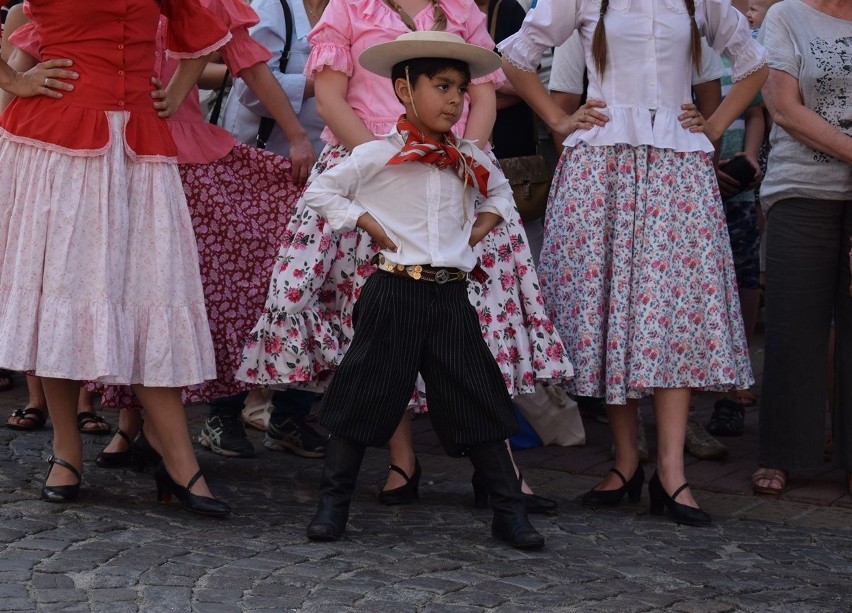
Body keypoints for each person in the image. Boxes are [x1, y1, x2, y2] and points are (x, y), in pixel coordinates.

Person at [237, 0, 572, 507]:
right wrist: (392, 171)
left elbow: (481, 99)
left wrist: (465, 163)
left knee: (482, 325)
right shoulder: (349, 8)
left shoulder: (462, 10)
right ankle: (402, 462)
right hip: (369, 173)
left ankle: (501, 472)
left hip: (453, 179)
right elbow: (330, 101)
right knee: (379, 323)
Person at [499, 0, 767, 526]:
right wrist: (556, 116)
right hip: (601, 163)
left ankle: (671, 471)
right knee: (610, 310)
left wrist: (713, 126)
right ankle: (625, 463)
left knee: (668, 315)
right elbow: (514, 56)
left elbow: (755, 63)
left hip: (676, 166)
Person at [304, 31, 544, 549]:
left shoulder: (469, 158)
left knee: (479, 396)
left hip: (450, 297)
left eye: (460, 88)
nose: (456, 100)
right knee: (362, 394)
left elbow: (500, 191)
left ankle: (509, 512)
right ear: (405, 91)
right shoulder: (376, 154)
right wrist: (363, 220)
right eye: (442, 86)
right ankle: (332, 506)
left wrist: (479, 228)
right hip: (394, 292)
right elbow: (321, 190)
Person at [0, 0, 231, 516]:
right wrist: (13, 81)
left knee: (153, 294)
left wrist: (175, 91)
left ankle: (178, 460)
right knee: (61, 293)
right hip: (58, 146)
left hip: (140, 148)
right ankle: (66, 451)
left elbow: (202, 27)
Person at [752, 0, 852, 496]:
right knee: (793, 326)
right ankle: (784, 453)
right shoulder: (787, 14)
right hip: (802, 187)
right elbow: (784, 109)